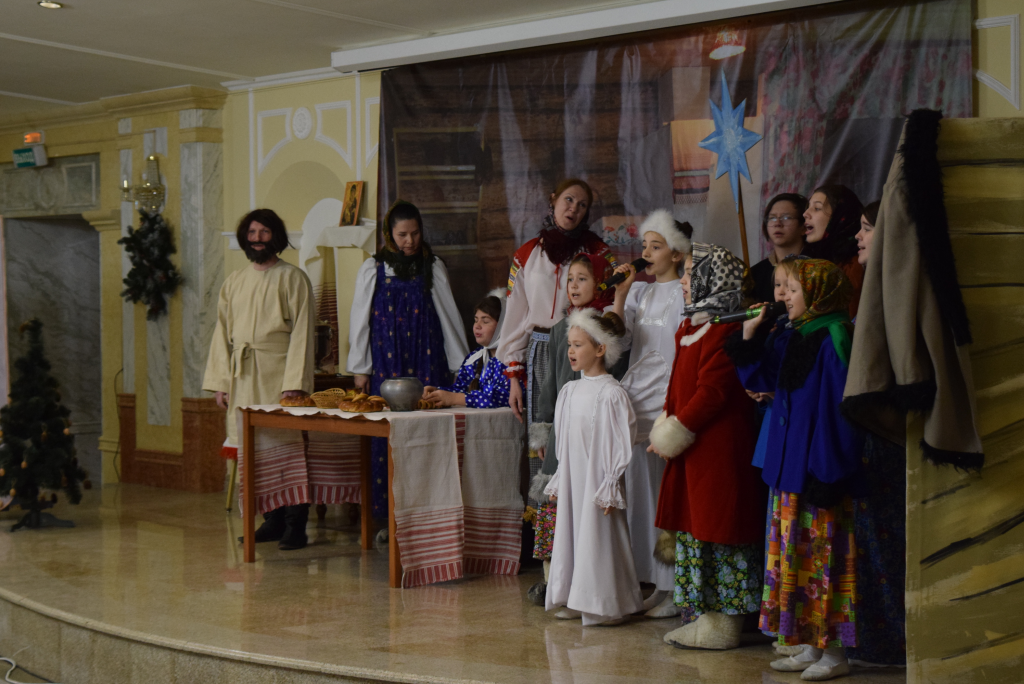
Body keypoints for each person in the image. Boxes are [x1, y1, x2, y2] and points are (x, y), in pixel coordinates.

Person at [727, 257, 864, 681]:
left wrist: (829, 472)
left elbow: (840, 414)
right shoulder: (796, 333)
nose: (783, 296)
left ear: (818, 292)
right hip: (789, 469)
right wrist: (750, 335)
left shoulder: (835, 335)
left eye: (792, 288)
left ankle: (834, 653)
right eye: (781, 287)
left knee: (824, 561)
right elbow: (761, 379)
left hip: (818, 470)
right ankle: (808, 643)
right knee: (796, 560)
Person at [646, 242, 765, 650]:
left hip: (718, 451)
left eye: (690, 273)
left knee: (722, 531)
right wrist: (668, 421)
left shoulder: (725, 328)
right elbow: (678, 389)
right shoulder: (694, 325)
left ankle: (725, 624)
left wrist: (673, 432)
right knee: (698, 530)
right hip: (694, 449)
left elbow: (713, 393)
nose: (683, 281)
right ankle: (705, 618)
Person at [496, 179, 616, 516]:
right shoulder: (528, 254)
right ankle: (546, 526)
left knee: (578, 433)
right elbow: (515, 315)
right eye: (568, 200)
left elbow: (609, 305)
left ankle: (582, 516)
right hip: (538, 351)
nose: (573, 209)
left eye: (581, 205)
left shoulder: (597, 254)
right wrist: (514, 375)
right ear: (553, 200)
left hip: (581, 348)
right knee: (542, 435)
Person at [203, 208, 315, 550]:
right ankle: (272, 520)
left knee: (286, 451)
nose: (257, 239)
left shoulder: (293, 277)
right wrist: (222, 381)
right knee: (254, 453)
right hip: (243, 377)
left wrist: (294, 382)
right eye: (251, 233)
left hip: (279, 377)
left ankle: (295, 525)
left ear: (275, 236)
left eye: (264, 232)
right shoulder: (234, 281)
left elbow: (303, 333)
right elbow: (221, 333)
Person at [347, 200, 468, 518]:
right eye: (402, 235)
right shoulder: (373, 269)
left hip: (427, 359)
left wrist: (460, 366)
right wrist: (360, 369)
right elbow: (360, 321)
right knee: (388, 437)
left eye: (415, 233)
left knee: (429, 433)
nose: (410, 241)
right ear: (390, 234)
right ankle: (388, 518)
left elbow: (449, 317)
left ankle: (431, 515)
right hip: (387, 363)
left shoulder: (432, 266)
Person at [608, 209, 692, 618]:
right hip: (637, 401)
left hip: (668, 401)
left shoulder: (685, 292)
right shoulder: (640, 294)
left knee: (665, 495)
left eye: (655, 246)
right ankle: (652, 579)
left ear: (676, 254)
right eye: (644, 246)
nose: (646, 253)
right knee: (640, 494)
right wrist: (621, 294)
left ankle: (674, 585)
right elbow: (618, 343)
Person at [527, 252, 620, 606]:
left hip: (591, 432)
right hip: (561, 433)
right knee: (554, 499)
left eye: (583, 278)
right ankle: (552, 578)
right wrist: (543, 431)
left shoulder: (605, 326)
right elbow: (550, 385)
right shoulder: (558, 330)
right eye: (570, 279)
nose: (574, 286)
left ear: (599, 282)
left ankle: (585, 580)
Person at [543, 309, 642, 626]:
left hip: (598, 481)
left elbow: (621, 440)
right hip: (575, 479)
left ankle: (605, 604)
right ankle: (575, 597)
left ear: (600, 348)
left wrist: (611, 483)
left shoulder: (612, 394)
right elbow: (564, 441)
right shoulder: (569, 391)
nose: (571, 352)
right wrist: (561, 476)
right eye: (570, 345)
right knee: (573, 534)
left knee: (598, 538)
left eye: (578, 345)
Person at [845, 198, 906, 668]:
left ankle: (894, 643)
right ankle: (875, 640)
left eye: (867, 228)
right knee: (869, 541)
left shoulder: (898, 286)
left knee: (889, 542)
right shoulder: (874, 284)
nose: (858, 236)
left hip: (890, 430)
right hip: (870, 431)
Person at [421, 291, 510, 409]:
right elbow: (460, 389)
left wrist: (453, 398)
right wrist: (437, 392)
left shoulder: (514, 360)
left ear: (503, 325)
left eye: (485, 321)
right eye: (476, 320)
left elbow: (504, 397)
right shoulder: (473, 359)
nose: (477, 326)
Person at [802, 185, 864, 318]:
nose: (805, 213)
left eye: (817, 208)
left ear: (839, 215)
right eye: (808, 207)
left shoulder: (854, 264)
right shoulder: (810, 258)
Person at [750, 193, 808, 303]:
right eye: (772, 218)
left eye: (786, 217)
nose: (777, 223)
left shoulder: (816, 267)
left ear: (803, 227)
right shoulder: (755, 274)